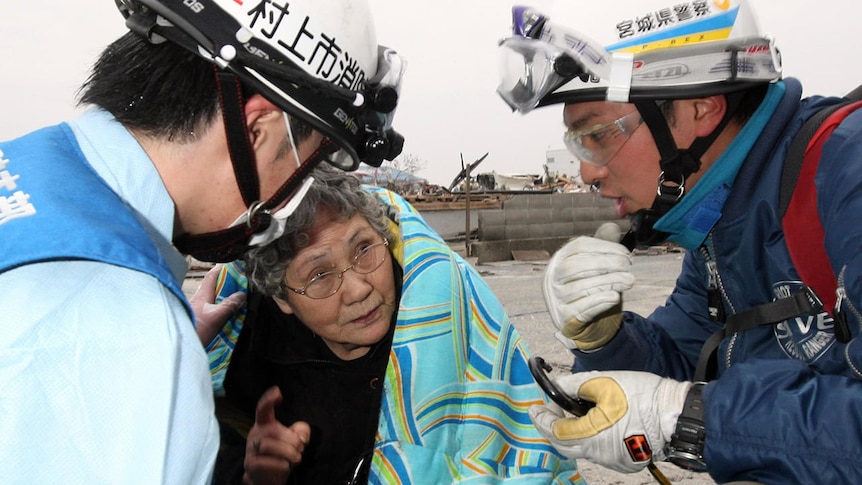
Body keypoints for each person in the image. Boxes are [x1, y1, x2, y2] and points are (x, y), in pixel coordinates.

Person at [0, 0, 404, 482]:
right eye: (305, 165)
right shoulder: (133, 335)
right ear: (259, 129)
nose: (292, 199)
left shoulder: (23, 170)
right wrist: (156, 363)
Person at [496, 0, 862, 483]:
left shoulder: (845, 174)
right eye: (576, 143)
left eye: (598, 136)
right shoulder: (717, 226)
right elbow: (682, 364)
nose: (586, 171)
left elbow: (682, 401)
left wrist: (687, 419)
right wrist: (605, 339)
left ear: (700, 109)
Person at [193, 166, 582, 484]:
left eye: (364, 249)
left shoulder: (441, 314)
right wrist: (250, 475)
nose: (360, 289)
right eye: (319, 275)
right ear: (282, 298)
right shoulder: (253, 352)